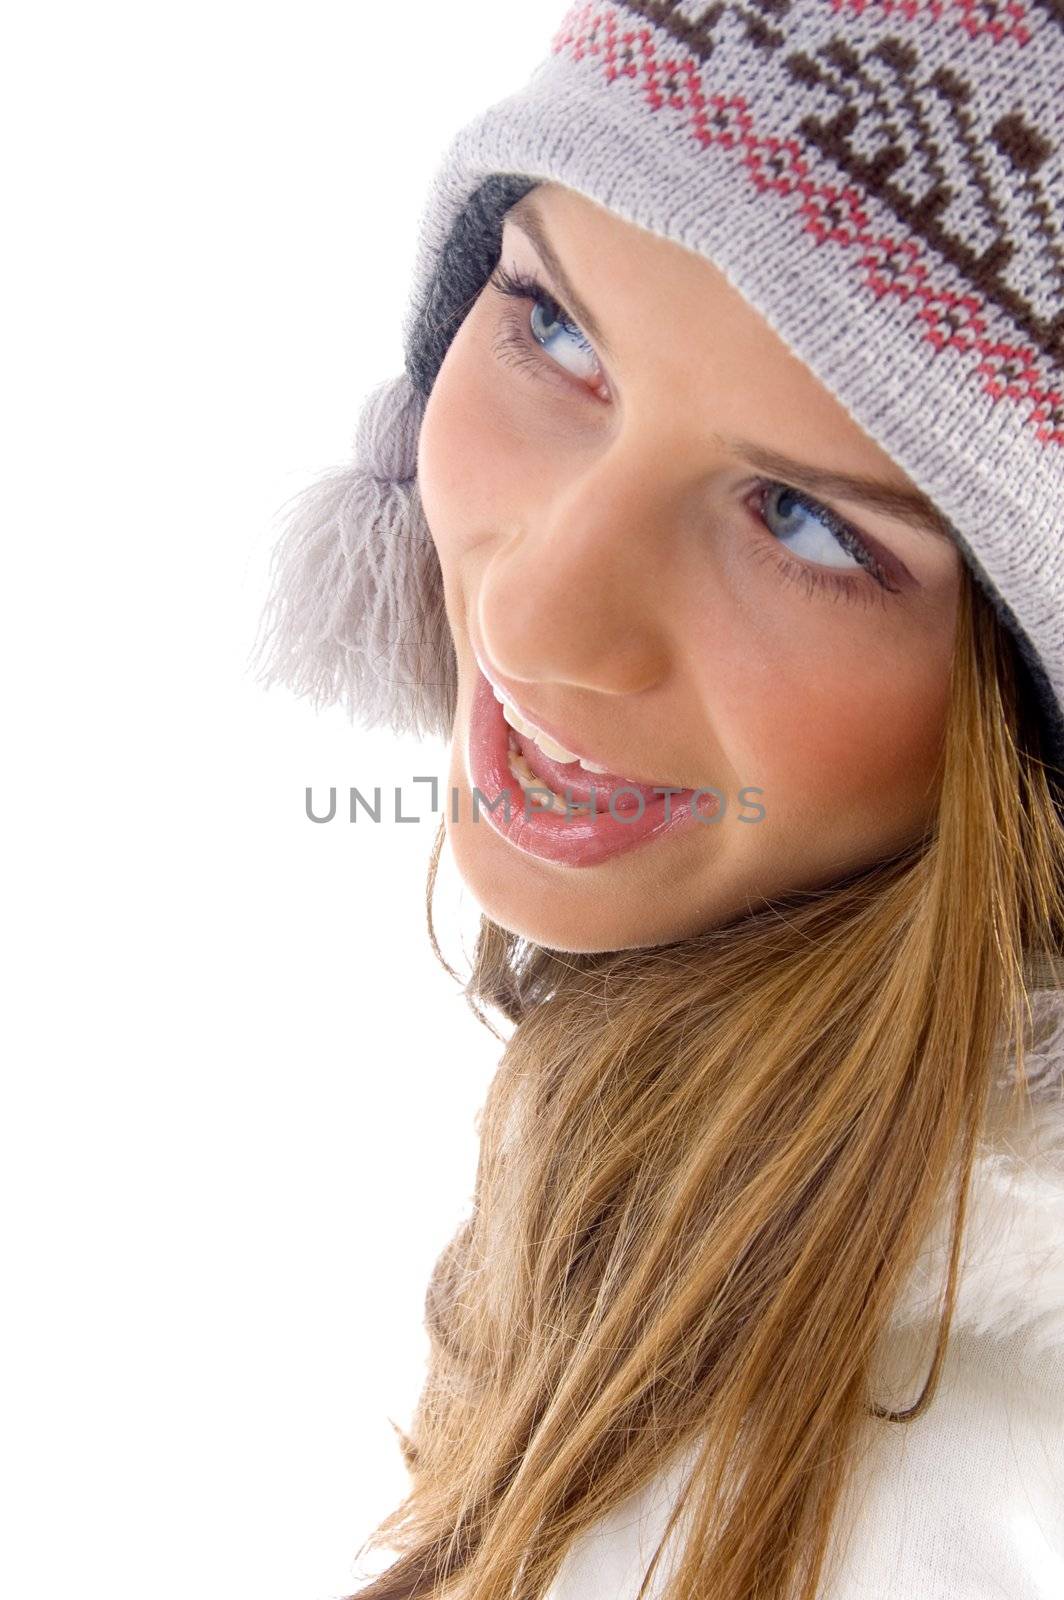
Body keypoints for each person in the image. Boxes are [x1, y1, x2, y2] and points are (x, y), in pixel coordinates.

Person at [253, 2, 1064, 1595]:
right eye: (553, 328)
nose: (536, 619)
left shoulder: (919, 1491)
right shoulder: (722, 1272)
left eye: (806, 523)